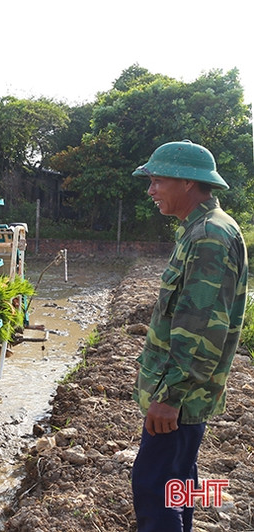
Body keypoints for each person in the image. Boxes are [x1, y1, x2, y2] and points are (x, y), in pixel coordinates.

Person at [130, 140, 248, 531]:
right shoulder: (199, 229)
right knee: (178, 482)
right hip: (185, 396)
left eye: (157, 181)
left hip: (179, 398)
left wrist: (169, 397)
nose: (150, 191)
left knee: (153, 488)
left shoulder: (210, 236)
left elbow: (200, 327)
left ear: (186, 182)